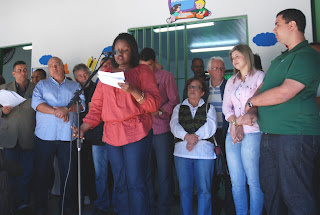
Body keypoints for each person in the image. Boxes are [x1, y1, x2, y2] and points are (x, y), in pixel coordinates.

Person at [72, 33, 161, 215]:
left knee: (135, 181)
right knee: (119, 181)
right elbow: (96, 107)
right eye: (117, 50)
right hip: (112, 134)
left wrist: (133, 90)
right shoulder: (105, 75)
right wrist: (83, 127)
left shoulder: (143, 71)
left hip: (136, 132)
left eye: (125, 50)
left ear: (133, 51)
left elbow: (153, 104)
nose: (120, 54)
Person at [246, 9, 320, 215]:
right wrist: (253, 108)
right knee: (271, 192)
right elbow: (265, 87)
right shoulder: (280, 59)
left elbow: (284, 93)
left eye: (277, 24)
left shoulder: (307, 56)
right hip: (270, 135)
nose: (274, 29)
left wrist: (252, 101)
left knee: (296, 195)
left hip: (294, 136)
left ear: (292, 25)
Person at [32, 56, 85, 215]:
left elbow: (81, 106)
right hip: (44, 137)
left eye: (56, 65)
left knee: (68, 176)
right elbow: (37, 104)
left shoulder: (75, 85)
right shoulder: (42, 84)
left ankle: (66, 209)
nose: (53, 68)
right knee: (42, 174)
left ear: (64, 67)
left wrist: (66, 109)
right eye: (50, 66)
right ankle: (40, 209)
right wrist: (57, 111)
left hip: (67, 137)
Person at [222, 44, 265, 215]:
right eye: (232, 58)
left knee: (254, 181)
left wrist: (239, 123)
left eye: (237, 56)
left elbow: (261, 104)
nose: (234, 60)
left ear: (247, 55)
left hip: (253, 132)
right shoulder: (231, 81)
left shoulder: (260, 76)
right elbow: (226, 108)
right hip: (232, 134)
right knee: (237, 182)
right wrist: (234, 124)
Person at [139, 47, 180, 215]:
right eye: (142, 65)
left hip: (162, 129)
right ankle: (148, 206)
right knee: (146, 172)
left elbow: (174, 100)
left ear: (155, 62)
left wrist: (161, 110)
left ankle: (164, 208)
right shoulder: (137, 77)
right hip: (142, 130)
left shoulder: (166, 76)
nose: (145, 69)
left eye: (148, 65)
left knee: (164, 171)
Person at [170, 76, 217, 215]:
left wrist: (193, 139)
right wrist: (186, 137)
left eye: (196, 87)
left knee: (204, 191)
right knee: (185, 191)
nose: (192, 90)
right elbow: (174, 125)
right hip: (182, 153)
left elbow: (211, 126)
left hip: (204, 154)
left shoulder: (209, 108)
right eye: (190, 87)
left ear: (202, 92)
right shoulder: (178, 108)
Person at [73, 63, 114, 214]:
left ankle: (116, 204)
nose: (84, 77)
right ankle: (100, 202)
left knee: (113, 172)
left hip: (104, 135)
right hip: (87, 136)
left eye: (86, 74)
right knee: (96, 172)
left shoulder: (100, 86)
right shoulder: (76, 91)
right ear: (76, 79)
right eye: (80, 76)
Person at [0, 61, 36, 215]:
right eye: (19, 70)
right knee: (11, 173)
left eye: (25, 70)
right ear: (13, 73)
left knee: (27, 172)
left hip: (29, 136)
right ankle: (10, 203)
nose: (23, 72)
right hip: (10, 137)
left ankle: (23, 203)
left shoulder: (36, 88)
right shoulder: (3, 89)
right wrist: (2, 111)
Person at [206, 56, 235, 215]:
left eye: (222, 68)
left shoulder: (229, 86)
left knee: (229, 173)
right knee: (211, 175)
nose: (220, 71)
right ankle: (214, 209)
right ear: (209, 71)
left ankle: (231, 209)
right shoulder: (203, 88)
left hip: (226, 134)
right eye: (216, 68)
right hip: (208, 136)